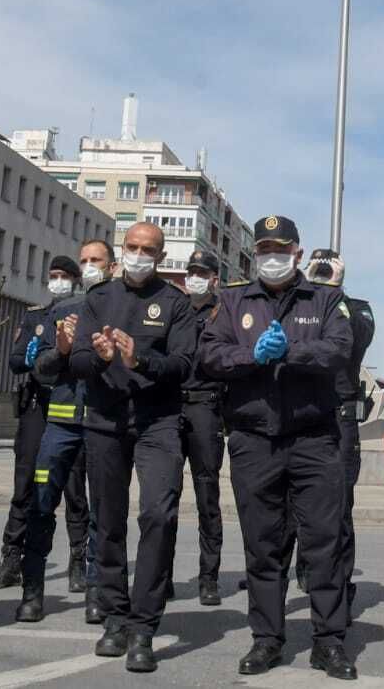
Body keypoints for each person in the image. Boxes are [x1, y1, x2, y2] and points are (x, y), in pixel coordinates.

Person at [200, 215, 357, 680]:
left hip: (314, 439)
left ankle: (329, 642)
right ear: (255, 252)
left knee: (324, 543)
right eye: (265, 248)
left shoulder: (326, 299)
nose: (272, 256)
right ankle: (267, 639)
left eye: (281, 248)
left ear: (298, 253)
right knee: (263, 545)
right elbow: (209, 355)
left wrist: (290, 350)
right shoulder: (231, 300)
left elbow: (338, 350)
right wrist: (253, 356)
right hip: (253, 440)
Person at [65, 221, 194, 674]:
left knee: (158, 513)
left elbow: (182, 365)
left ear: (160, 256)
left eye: (148, 249)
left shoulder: (176, 303)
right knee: (109, 520)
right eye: (133, 247)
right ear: (123, 250)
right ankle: (116, 618)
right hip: (104, 419)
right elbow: (77, 360)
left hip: (157, 422)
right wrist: (99, 357)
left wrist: (140, 359)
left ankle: (145, 626)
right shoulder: (98, 299)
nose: (139, 255)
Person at [0, 255, 90, 594]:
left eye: (64, 276)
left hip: (69, 406)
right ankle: (11, 559)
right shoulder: (35, 316)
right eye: (53, 275)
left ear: (75, 280)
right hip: (36, 407)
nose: (57, 281)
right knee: (26, 483)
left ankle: (78, 561)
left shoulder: (85, 312)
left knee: (74, 488)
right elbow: (15, 361)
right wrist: (29, 355)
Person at [17, 239, 110, 624]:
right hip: (61, 423)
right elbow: (41, 368)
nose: (89, 268)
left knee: (102, 514)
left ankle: (94, 592)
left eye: (96, 261)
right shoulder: (65, 309)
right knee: (41, 505)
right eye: (84, 261)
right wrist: (63, 349)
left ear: (111, 265)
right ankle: (32, 592)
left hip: (105, 424)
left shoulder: (123, 306)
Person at [285, 249, 376, 603]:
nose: (323, 271)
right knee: (289, 506)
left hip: (339, 417)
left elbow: (358, 342)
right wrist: (307, 289)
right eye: (317, 267)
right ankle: (303, 571)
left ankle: (340, 588)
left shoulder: (355, 306)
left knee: (337, 509)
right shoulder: (298, 302)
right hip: (298, 414)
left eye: (329, 265)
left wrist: (333, 291)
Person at [172, 245, 226, 606]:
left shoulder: (224, 312)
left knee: (207, 496)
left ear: (214, 279)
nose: (195, 278)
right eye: (192, 272)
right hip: (171, 408)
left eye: (202, 274)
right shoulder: (174, 310)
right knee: (165, 496)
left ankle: (209, 577)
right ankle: (161, 575)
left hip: (206, 408)